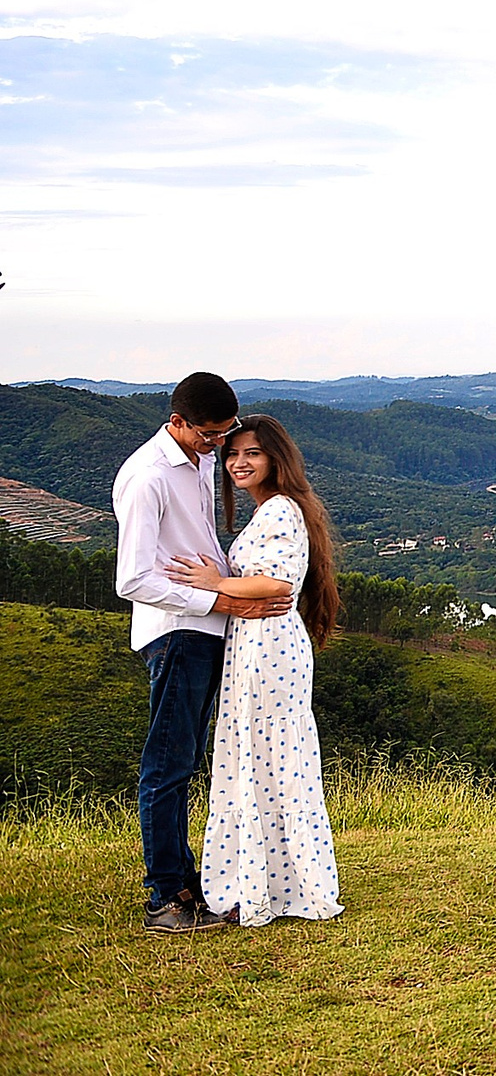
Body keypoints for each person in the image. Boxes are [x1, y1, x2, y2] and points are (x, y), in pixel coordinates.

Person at [113, 372, 291, 935]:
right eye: (210, 435)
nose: (220, 446)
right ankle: (167, 899)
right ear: (178, 422)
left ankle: (194, 885)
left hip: (209, 627)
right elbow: (133, 579)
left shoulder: (200, 459)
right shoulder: (148, 478)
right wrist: (217, 598)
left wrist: (230, 594)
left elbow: (201, 542)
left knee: (190, 760)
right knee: (168, 765)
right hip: (177, 631)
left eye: (226, 435)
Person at [168, 414, 344, 928]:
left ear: (276, 460)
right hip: (255, 644)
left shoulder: (281, 510)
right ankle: (268, 879)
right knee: (263, 760)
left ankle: (282, 886)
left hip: (269, 647)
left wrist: (208, 583)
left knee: (269, 760)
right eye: (232, 454)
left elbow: (277, 585)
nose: (239, 463)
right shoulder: (272, 511)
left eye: (252, 454)